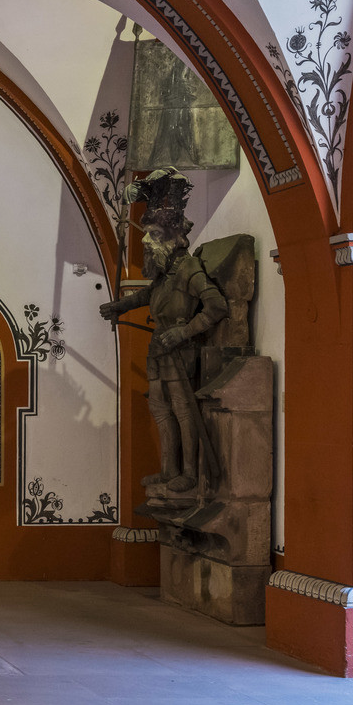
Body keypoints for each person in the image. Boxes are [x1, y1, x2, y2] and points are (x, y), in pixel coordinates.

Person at [100, 206, 228, 493]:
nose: (147, 241)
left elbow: (216, 306)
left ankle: (190, 474)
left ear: (174, 236)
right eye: (147, 235)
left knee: (184, 411)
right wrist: (120, 306)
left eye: (154, 234)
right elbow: (150, 294)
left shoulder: (188, 268)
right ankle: (169, 470)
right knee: (160, 409)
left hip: (180, 350)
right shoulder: (166, 268)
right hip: (159, 347)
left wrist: (184, 332)